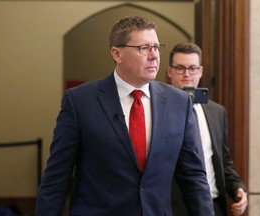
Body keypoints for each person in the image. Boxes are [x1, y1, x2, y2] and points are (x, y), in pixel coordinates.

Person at [35, 16, 214, 216]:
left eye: (156, 47)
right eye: (144, 48)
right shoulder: (80, 101)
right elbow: (56, 179)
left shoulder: (179, 102)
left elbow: (193, 177)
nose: (154, 55)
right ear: (117, 53)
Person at [168, 42, 248, 216]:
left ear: (201, 71)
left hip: (213, 207)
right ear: (170, 71)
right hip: (174, 208)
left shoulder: (216, 112)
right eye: (180, 68)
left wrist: (238, 189)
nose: (187, 74)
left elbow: (224, 161)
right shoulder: (158, 110)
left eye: (193, 68)